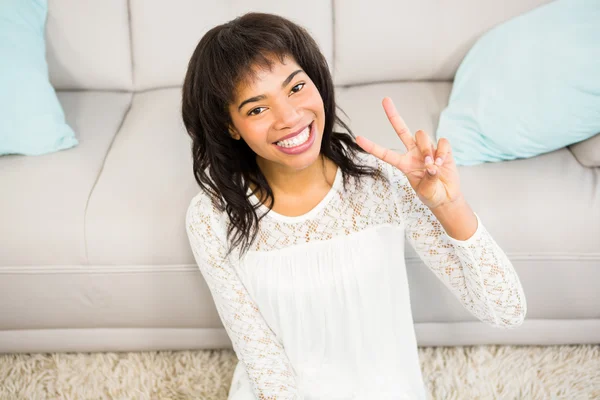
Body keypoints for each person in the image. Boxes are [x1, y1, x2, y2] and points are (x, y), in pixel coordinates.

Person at [181, 12, 527, 400]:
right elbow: (263, 362)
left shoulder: (382, 182)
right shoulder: (211, 217)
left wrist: (450, 205)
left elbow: (505, 310)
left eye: (295, 88)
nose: (289, 117)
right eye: (257, 108)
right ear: (230, 126)